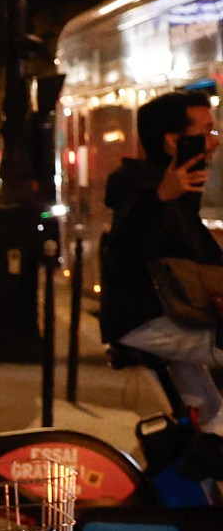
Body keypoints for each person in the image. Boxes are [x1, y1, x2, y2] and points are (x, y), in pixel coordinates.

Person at [100, 88, 223, 472]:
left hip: (165, 315)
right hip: (148, 319)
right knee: (215, 427)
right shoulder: (144, 186)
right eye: (205, 131)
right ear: (174, 140)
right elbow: (125, 244)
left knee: (208, 406)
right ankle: (210, 450)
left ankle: (193, 473)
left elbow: (199, 255)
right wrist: (160, 197)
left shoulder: (176, 186)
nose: (215, 140)